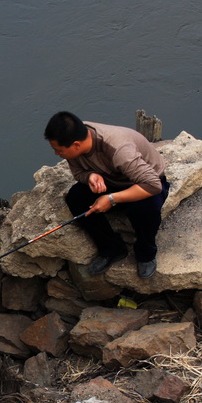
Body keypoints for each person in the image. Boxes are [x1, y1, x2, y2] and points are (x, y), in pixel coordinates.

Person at [43, 111, 170, 278]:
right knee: (76, 198)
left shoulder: (120, 150)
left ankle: (146, 254)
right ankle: (112, 248)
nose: (56, 154)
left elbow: (153, 185)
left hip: (143, 184)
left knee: (145, 208)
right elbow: (78, 172)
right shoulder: (76, 137)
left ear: (76, 145)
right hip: (112, 180)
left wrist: (111, 199)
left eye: (58, 150)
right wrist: (90, 176)